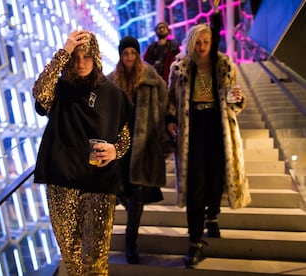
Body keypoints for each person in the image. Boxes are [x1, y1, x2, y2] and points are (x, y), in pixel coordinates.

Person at [32, 30, 133, 275]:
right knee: (72, 258)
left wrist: (115, 150)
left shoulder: (113, 93)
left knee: (95, 261)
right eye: (75, 57)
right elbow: (39, 94)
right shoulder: (59, 89)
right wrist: (62, 52)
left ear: (95, 57)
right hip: (61, 181)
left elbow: (126, 134)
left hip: (99, 183)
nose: (80, 62)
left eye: (86, 56)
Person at [166, 1, 252, 267]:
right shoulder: (179, 69)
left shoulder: (224, 65)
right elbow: (171, 102)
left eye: (206, 41)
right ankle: (194, 241)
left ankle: (212, 216)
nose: (202, 46)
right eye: (198, 41)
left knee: (215, 180)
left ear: (212, 42)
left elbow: (233, 100)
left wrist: (237, 99)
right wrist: (170, 120)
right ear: (191, 43)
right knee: (195, 186)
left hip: (218, 126)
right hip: (193, 130)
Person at [108, 36, 173, 264]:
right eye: (125, 53)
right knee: (121, 192)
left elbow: (166, 108)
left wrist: (165, 142)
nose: (128, 57)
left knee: (136, 196)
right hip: (118, 149)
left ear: (137, 54)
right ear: (120, 56)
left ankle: (130, 245)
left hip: (143, 146)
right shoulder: (111, 81)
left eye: (132, 53)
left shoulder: (151, 79)